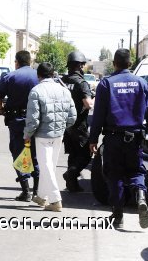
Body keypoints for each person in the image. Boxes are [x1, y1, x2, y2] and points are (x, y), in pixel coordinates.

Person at [89, 48, 148, 229]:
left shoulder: (106, 84)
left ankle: (118, 215)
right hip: (135, 138)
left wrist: (93, 139)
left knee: (115, 175)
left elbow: (98, 115)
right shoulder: (142, 83)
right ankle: (140, 195)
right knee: (136, 172)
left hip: (113, 138)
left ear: (114, 63)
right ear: (130, 64)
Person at [24, 62, 76, 211]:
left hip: (42, 135)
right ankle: (42, 196)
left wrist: (27, 135)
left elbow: (33, 120)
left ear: (38, 75)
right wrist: (61, 127)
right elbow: (72, 116)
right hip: (58, 134)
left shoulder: (36, 91)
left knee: (46, 166)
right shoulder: (64, 90)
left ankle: (55, 200)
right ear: (53, 74)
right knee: (49, 166)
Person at [0, 50, 40, 202]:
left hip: (17, 121)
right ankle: (37, 191)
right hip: (36, 121)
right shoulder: (38, 76)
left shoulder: (10, 76)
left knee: (19, 153)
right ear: (30, 61)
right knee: (35, 154)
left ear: (16, 62)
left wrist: (1, 109)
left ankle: (26, 190)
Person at [61, 51, 94, 192]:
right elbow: (88, 104)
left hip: (65, 124)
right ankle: (70, 175)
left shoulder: (62, 81)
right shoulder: (81, 83)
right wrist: (96, 97)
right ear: (80, 66)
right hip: (79, 124)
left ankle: (72, 184)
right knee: (86, 155)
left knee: (73, 154)